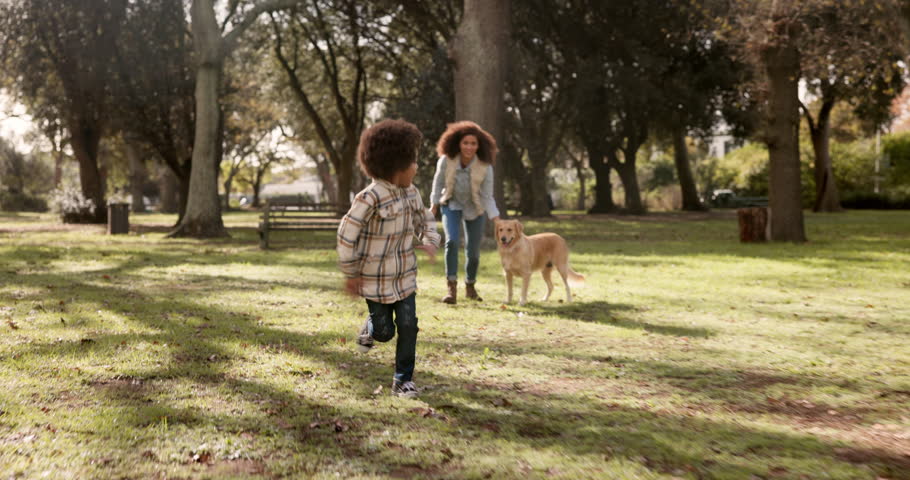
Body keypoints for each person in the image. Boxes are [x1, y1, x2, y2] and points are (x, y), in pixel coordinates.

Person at [337, 119, 440, 398]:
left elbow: (425, 220)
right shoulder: (369, 198)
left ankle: (403, 379)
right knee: (385, 332)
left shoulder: (412, 192)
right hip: (375, 281)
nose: (416, 168)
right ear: (396, 166)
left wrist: (430, 240)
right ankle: (371, 327)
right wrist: (351, 273)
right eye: (413, 162)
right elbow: (346, 235)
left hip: (405, 277)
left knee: (409, 326)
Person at [429, 121, 501, 304]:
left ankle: (470, 286)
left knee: (473, 251)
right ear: (458, 144)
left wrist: (495, 217)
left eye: (473, 143)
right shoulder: (446, 160)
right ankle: (451, 289)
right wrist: (434, 204)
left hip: (475, 208)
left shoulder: (485, 167)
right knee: (452, 241)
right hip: (451, 204)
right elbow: (438, 184)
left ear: (479, 146)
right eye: (465, 143)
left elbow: (487, 195)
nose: (469, 147)